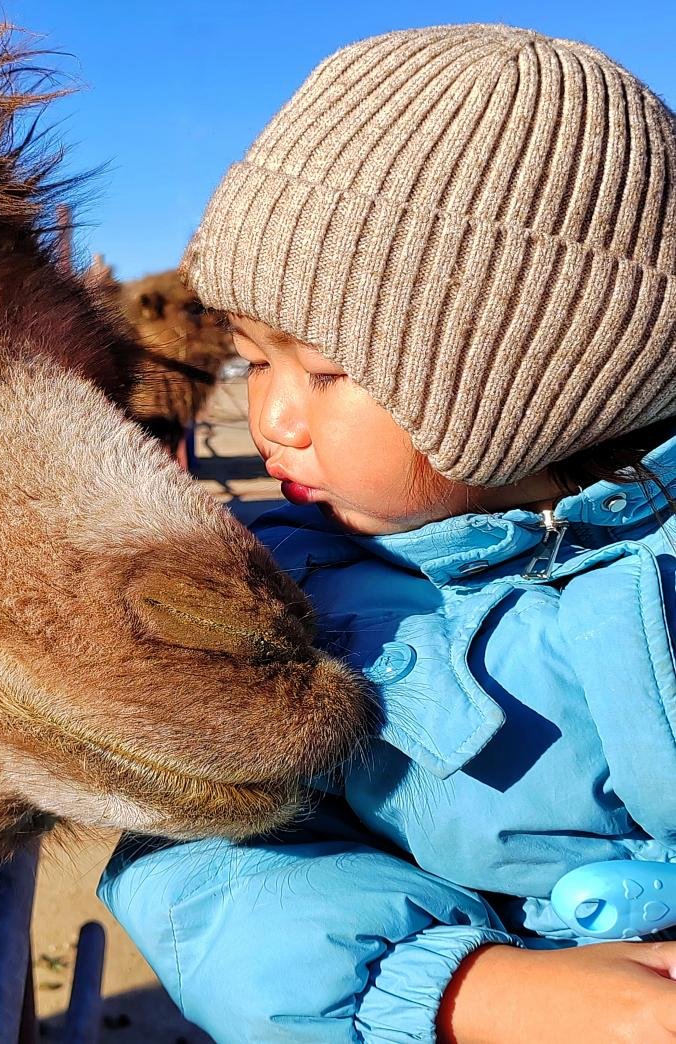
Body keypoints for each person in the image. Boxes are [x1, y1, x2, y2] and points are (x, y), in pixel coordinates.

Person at [99, 24, 676, 1043]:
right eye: (251, 362)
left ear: (533, 383)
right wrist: (460, 992)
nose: (271, 418)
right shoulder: (275, 594)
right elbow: (196, 865)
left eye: (322, 374)